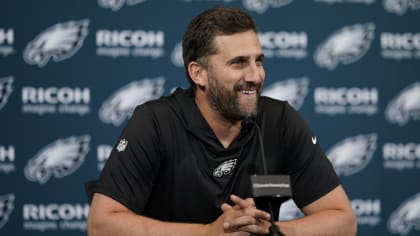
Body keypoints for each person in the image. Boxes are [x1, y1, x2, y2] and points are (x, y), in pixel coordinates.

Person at [86, 6, 357, 236]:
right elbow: (101, 224)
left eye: (258, 61)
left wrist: (269, 231)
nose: (255, 76)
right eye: (239, 63)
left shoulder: (280, 122)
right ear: (198, 73)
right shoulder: (155, 122)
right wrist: (209, 233)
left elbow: (343, 221)